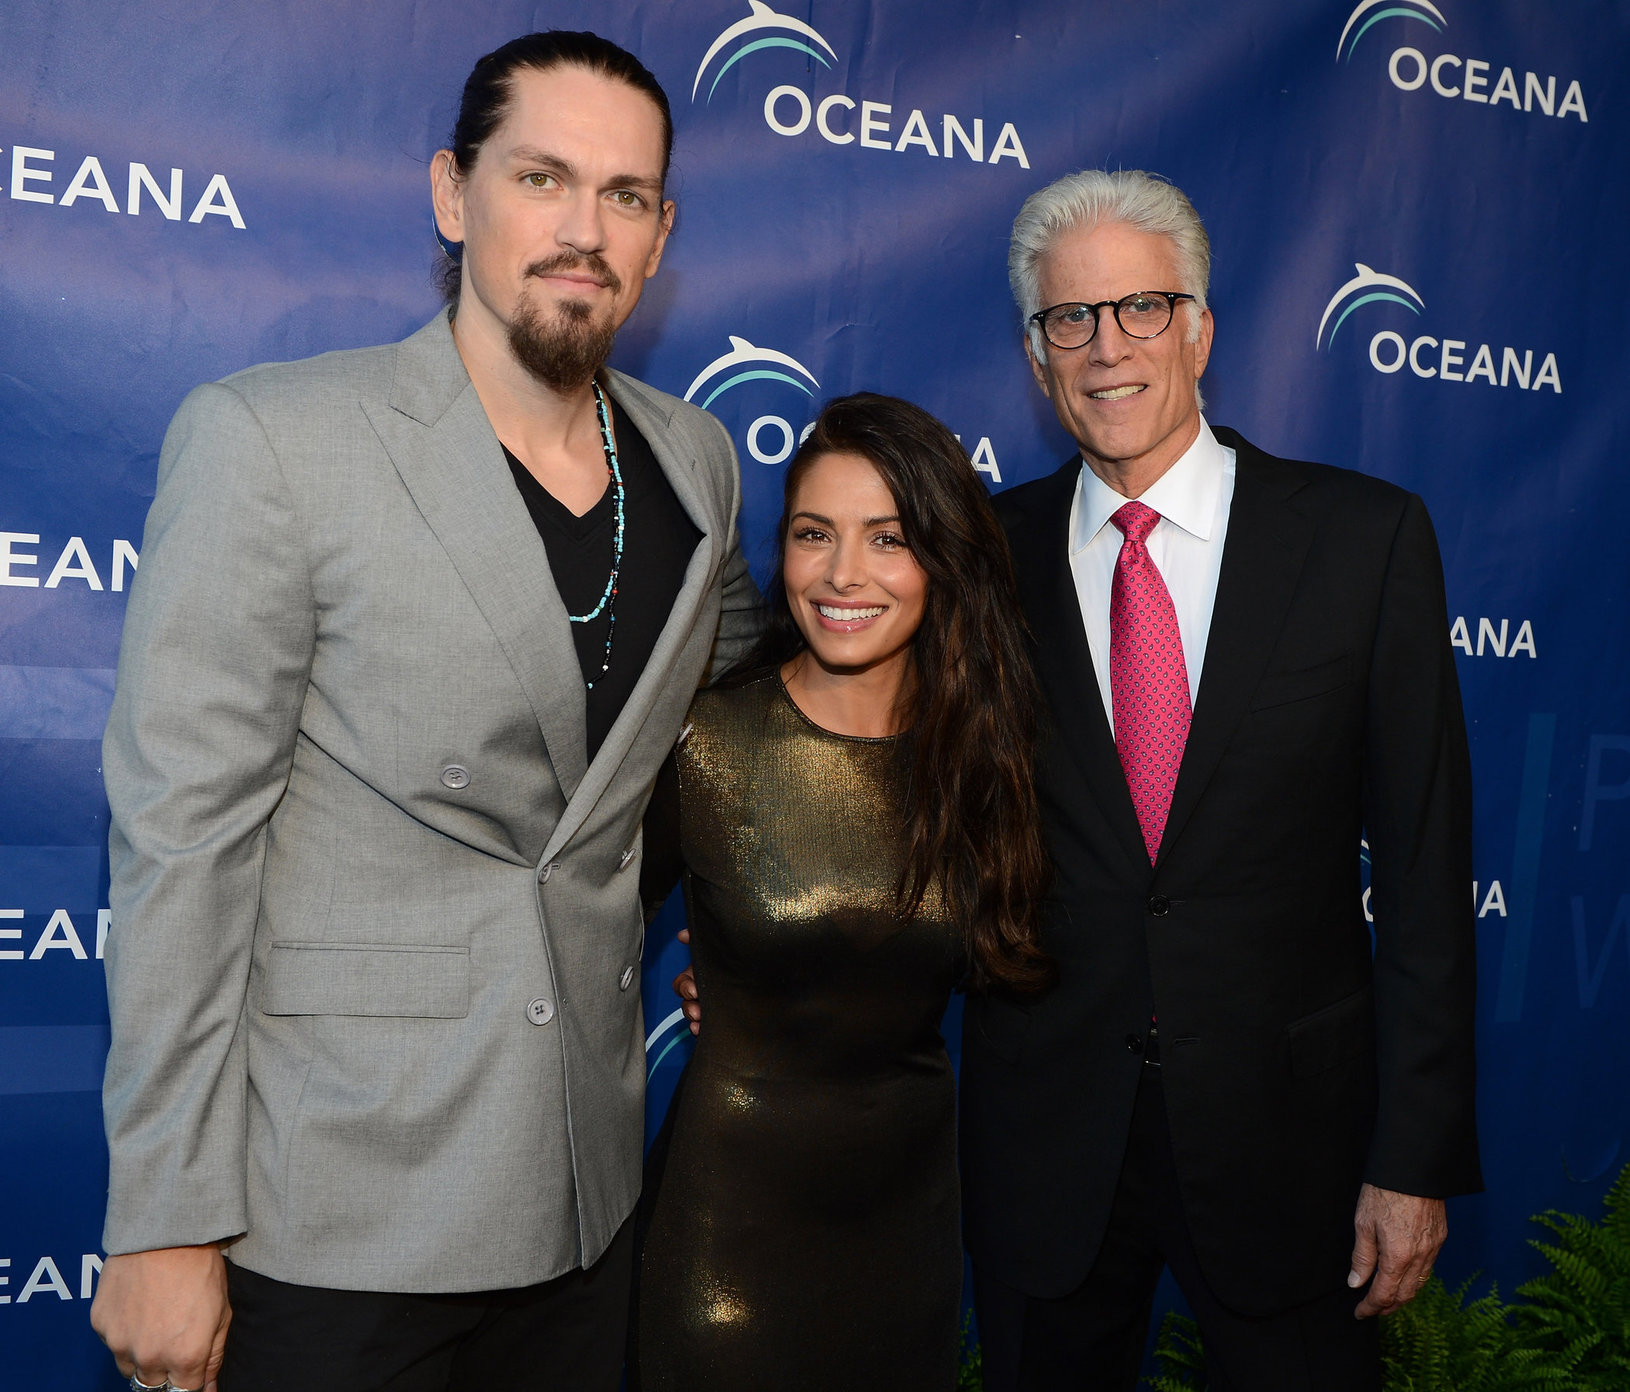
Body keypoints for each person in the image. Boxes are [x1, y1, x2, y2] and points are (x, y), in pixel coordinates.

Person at [90, 31, 758, 1392]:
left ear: (661, 231)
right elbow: (183, 849)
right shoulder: (273, 440)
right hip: (337, 1206)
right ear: (454, 195)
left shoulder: (693, 460)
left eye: (624, 196)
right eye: (543, 178)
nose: (583, 231)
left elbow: (741, 689)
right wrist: (164, 1219)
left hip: (584, 1186)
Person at [958, 170, 1481, 1391]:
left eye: (1139, 308)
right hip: (1047, 1146)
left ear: (1199, 327)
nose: (1104, 348)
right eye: (1067, 321)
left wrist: (1412, 1160)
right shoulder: (977, 556)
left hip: (1289, 1150)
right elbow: (904, 801)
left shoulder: (1364, 540)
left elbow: (1421, 872)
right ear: (1036, 359)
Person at [634, 394, 1052, 1391]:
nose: (843, 575)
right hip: (723, 1230)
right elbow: (572, 939)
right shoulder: (703, 738)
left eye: (888, 540)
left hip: (905, 1231)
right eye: (814, 534)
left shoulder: (985, 755)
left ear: (941, 562)